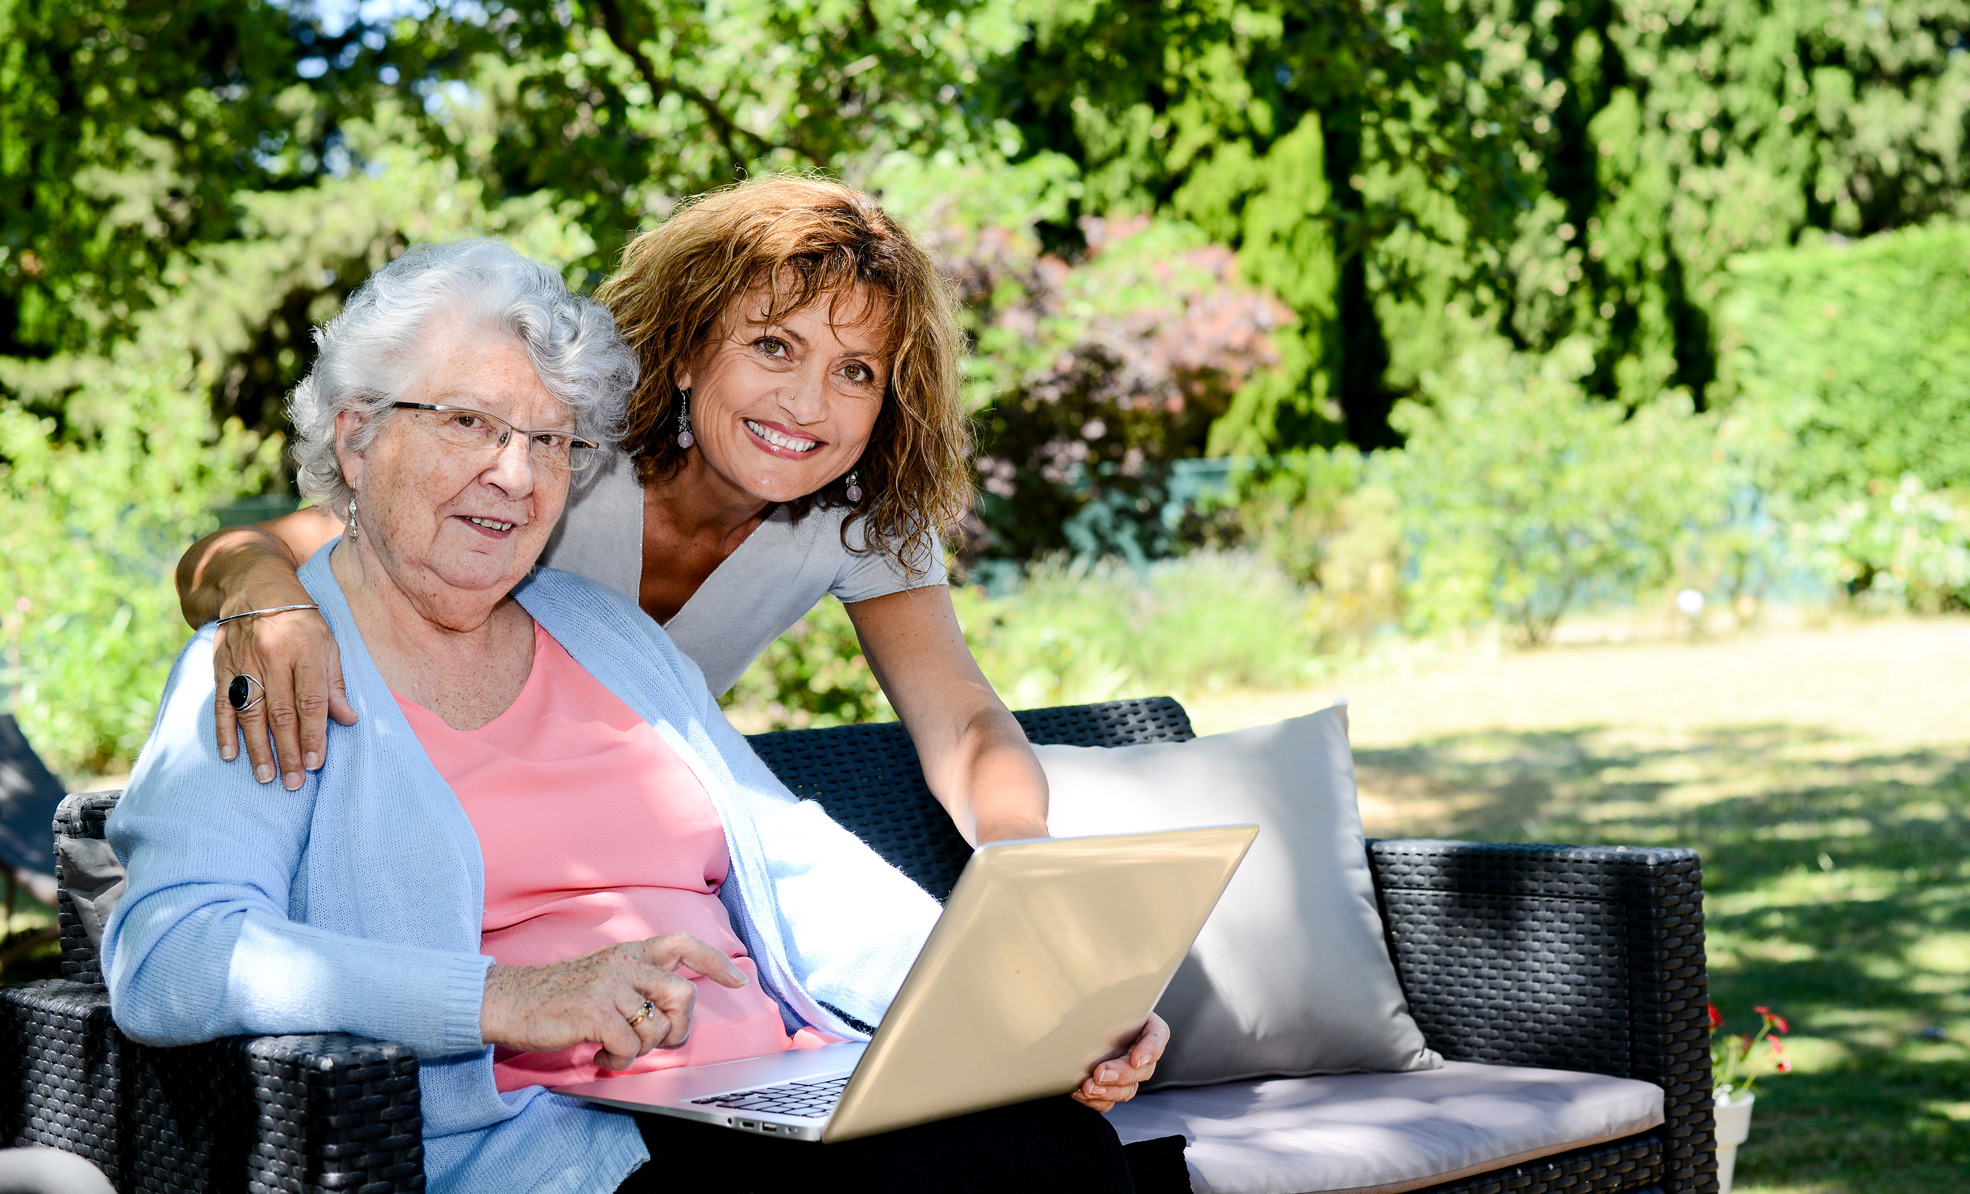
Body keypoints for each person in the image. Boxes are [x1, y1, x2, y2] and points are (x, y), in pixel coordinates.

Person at [104, 241, 1172, 1194]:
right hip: (565, 1136)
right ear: (357, 439)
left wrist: (1031, 1000)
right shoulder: (273, 663)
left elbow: (803, 872)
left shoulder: (609, 636)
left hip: (772, 1093)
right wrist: (503, 998)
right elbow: (170, 952)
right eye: (469, 423)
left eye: (550, 442)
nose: (513, 475)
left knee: (1044, 1142)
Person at [175, 176, 1049, 855]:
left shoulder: (862, 515)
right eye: (774, 346)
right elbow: (237, 553)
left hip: (605, 842)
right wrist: (263, 595)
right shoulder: (562, 458)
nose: (806, 404)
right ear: (688, 352)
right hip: (417, 808)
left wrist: (1022, 864)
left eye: (856, 371)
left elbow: (963, 720)